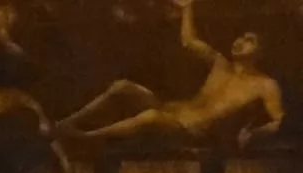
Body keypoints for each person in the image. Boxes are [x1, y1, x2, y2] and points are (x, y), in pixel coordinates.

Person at [58, 0, 283, 148]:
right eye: (240, 37)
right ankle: (67, 122)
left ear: (261, 52)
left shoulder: (265, 85)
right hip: (174, 111)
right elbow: (188, 41)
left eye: (249, 41)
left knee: (150, 116)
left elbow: (279, 121)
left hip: (191, 131)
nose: (240, 42)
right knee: (123, 86)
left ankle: (86, 138)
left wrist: (254, 134)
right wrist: (187, 8)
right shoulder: (220, 63)